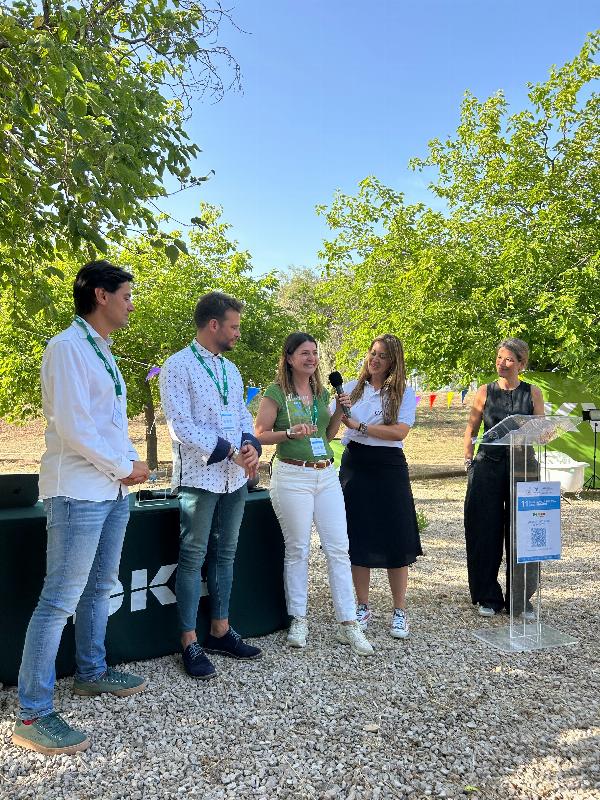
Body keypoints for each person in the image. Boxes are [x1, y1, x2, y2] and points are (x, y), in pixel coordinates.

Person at [13, 261, 150, 756]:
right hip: (77, 491)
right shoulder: (66, 347)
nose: (131, 305)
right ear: (100, 295)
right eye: (126, 295)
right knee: (58, 600)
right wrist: (124, 466)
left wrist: (125, 467)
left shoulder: (103, 351)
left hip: (110, 491)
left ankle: (91, 672)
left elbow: (107, 423)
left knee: (99, 587)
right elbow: (73, 426)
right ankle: (32, 713)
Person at [159, 292, 263, 679]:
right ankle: (189, 641)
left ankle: (220, 630)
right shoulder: (177, 366)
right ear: (214, 325)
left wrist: (250, 446)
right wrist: (231, 451)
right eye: (234, 326)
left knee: (226, 554)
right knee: (192, 557)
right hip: (200, 477)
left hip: (234, 478)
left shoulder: (231, 370)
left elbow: (241, 415)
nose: (238, 333)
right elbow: (180, 427)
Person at [254, 333, 374, 656]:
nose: (311, 358)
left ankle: (348, 623)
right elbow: (259, 434)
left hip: (326, 474)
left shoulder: (321, 391)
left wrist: (339, 411)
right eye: (305, 353)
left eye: (314, 353)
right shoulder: (276, 392)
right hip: (292, 475)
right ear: (289, 357)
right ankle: (299, 619)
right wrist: (288, 433)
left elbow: (328, 434)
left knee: (339, 548)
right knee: (298, 549)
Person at [336, 334, 422, 640]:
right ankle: (362, 606)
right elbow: (334, 423)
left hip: (388, 466)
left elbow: (399, 432)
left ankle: (399, 610)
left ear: (393, 362)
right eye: (372, 353)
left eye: (382, 355)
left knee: (395, 535)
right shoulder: (350, 388)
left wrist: (360, 427)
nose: (374, 359)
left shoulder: (403, 393)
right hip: (355, 464)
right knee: (358, 535)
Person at [463, 338, 544, 617]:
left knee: (524, 532)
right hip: (487, 467)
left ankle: (520, 599)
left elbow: (541, 430)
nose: (502, 363)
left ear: (522, 364)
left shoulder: (533, 393)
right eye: (499, 357)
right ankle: (487, 596)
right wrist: (468, 462)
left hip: (523, 468)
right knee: (484, 530)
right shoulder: (485, 391)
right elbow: (471, 429)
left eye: (509, 359)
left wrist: (545, 433)